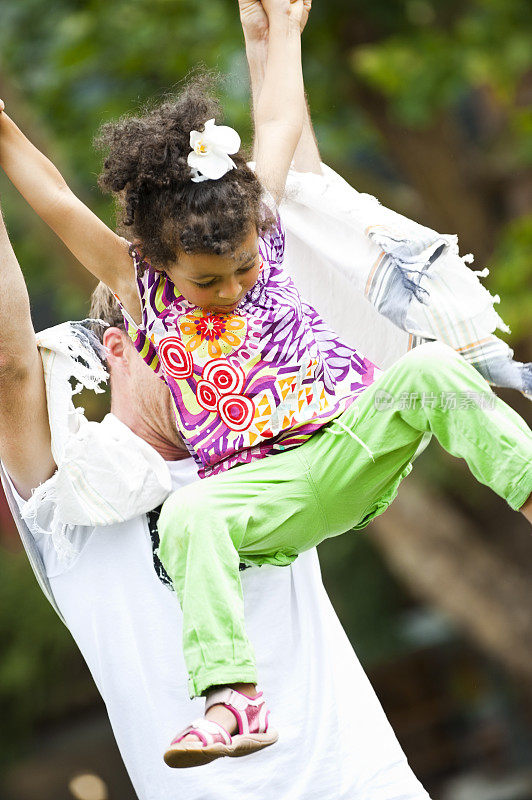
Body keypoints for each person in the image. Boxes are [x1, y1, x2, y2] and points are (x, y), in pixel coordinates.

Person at [1, 0, 531, 770]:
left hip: (347, 447)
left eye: (244, 268)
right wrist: (8, 135)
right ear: (157, 259)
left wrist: (282, 31)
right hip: (266, 497)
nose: (235, 286)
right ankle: (233, 700)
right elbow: (55, 201)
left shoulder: (265, 238)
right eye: (209, 281)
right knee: (188, 516)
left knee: (426, 368)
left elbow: (277, 124)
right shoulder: (144, 291)